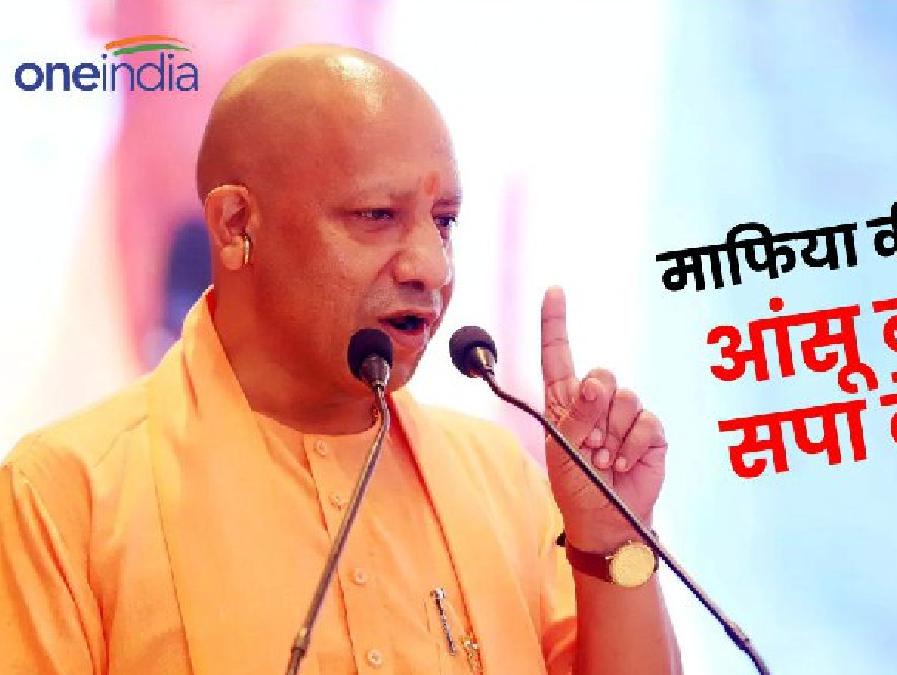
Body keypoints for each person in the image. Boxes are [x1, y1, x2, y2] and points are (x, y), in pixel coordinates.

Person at [0, 45, 681, 674]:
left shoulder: (501, 479)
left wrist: (608, 540)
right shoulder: (68, 495)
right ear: (237, 225)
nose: (431, 266)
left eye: (444, 221)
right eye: (377, 215)